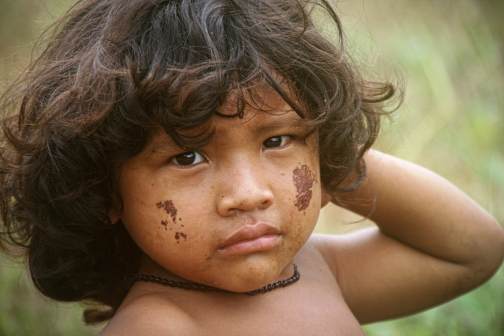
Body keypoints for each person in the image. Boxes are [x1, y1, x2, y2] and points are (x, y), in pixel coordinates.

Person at [0, 0, 503, 334]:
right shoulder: (160, 325)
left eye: (278, 139)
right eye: (187, 156)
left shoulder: (314, 271)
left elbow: (472, 251)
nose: (248, 192)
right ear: (104, 189)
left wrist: (333, 159)